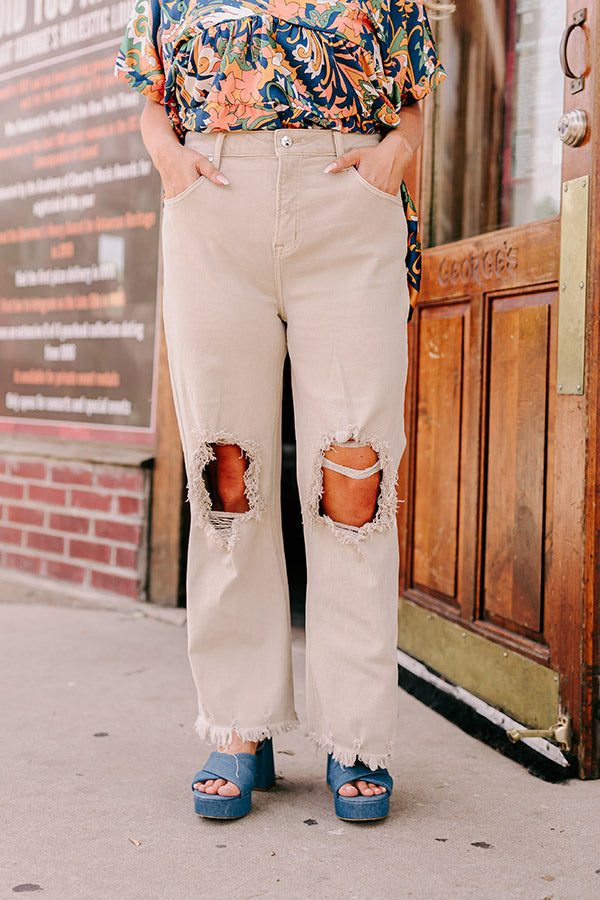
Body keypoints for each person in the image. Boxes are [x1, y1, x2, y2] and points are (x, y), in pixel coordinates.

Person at [116, 0, 447, 822]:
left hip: (347, 200)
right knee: (226, 471)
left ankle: (356, 737)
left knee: (355, 477)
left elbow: (413, 89)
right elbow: (150, 89)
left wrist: (396, 154)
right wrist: (170, 160)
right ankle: (238, 720)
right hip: (214, 201)